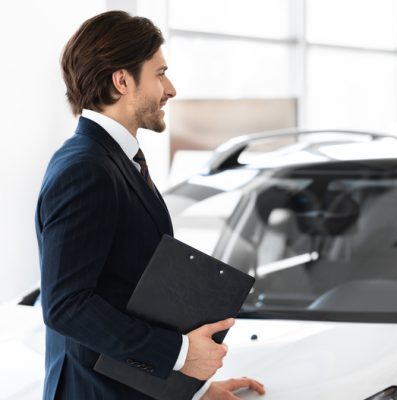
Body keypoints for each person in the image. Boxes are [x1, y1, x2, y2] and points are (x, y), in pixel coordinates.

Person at [35, 11, 265, 399]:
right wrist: (180, 354)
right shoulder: (86, 168)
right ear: (122, 80)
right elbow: (67, 305)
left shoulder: (113, 160)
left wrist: (191, 389)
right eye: (160, 74)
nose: (170, 89)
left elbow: (126, 294)